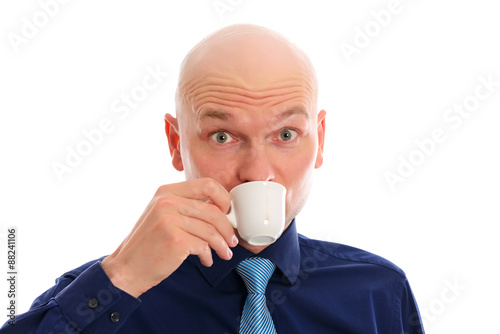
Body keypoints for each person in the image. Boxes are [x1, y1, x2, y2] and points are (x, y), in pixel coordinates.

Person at [1, 24, 424, 333]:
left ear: (321, 139)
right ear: (175, 141)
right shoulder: (103, 295)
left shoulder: (379, 292)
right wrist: (123, 277)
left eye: (286, 135)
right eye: (223, 136)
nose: (257, 172)